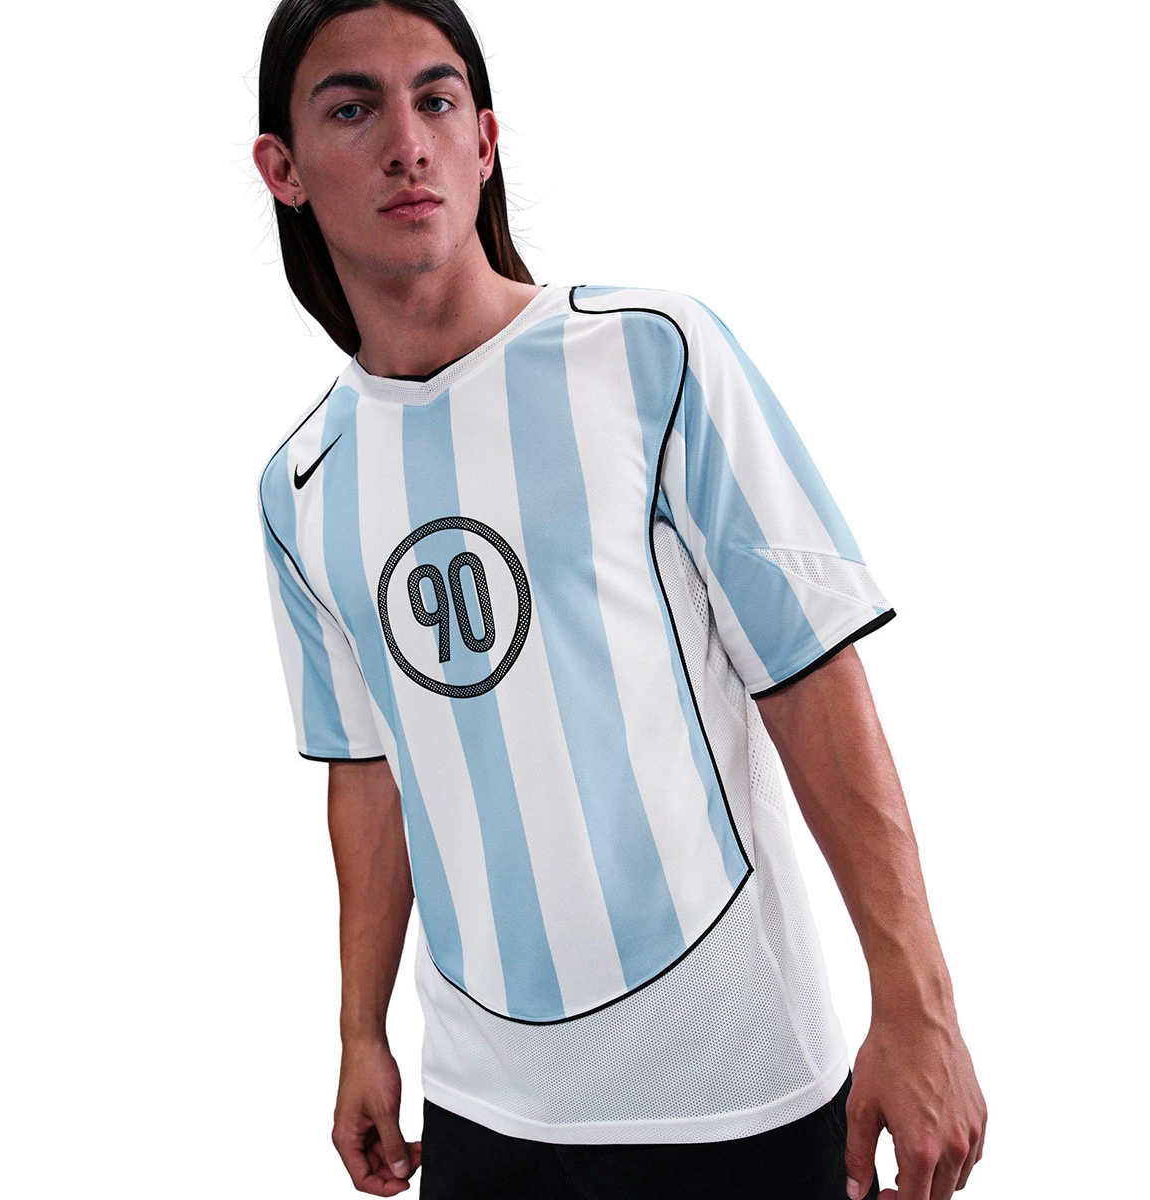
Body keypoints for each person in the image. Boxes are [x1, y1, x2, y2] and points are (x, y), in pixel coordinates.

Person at [250, 2, 988, 1197]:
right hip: (487, 1112)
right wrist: (358, 1031)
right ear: (282, 169)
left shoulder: (651, 356)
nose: (407, 142)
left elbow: (809, 675)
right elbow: (371, 770)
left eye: (436, 100)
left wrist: (919, 1003)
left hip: (744, 1089)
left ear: (485, 140)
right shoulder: (302, 483)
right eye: (353, 108)